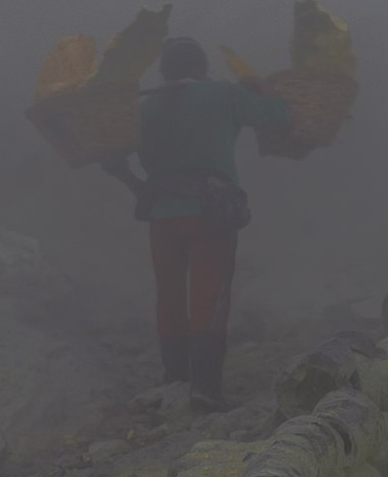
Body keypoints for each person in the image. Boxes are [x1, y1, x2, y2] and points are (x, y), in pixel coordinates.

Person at [102, 37, 291, 412]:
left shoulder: (145, 108)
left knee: (169, 295)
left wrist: (138, 186)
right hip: (210, 212)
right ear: (203, 67)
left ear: (164, 72)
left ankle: (174, 380)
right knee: (208, 295)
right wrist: (262, 89)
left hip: (162, 216)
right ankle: (206, 389)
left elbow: (110, 158)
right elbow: (279, 116)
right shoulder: (223, 94)